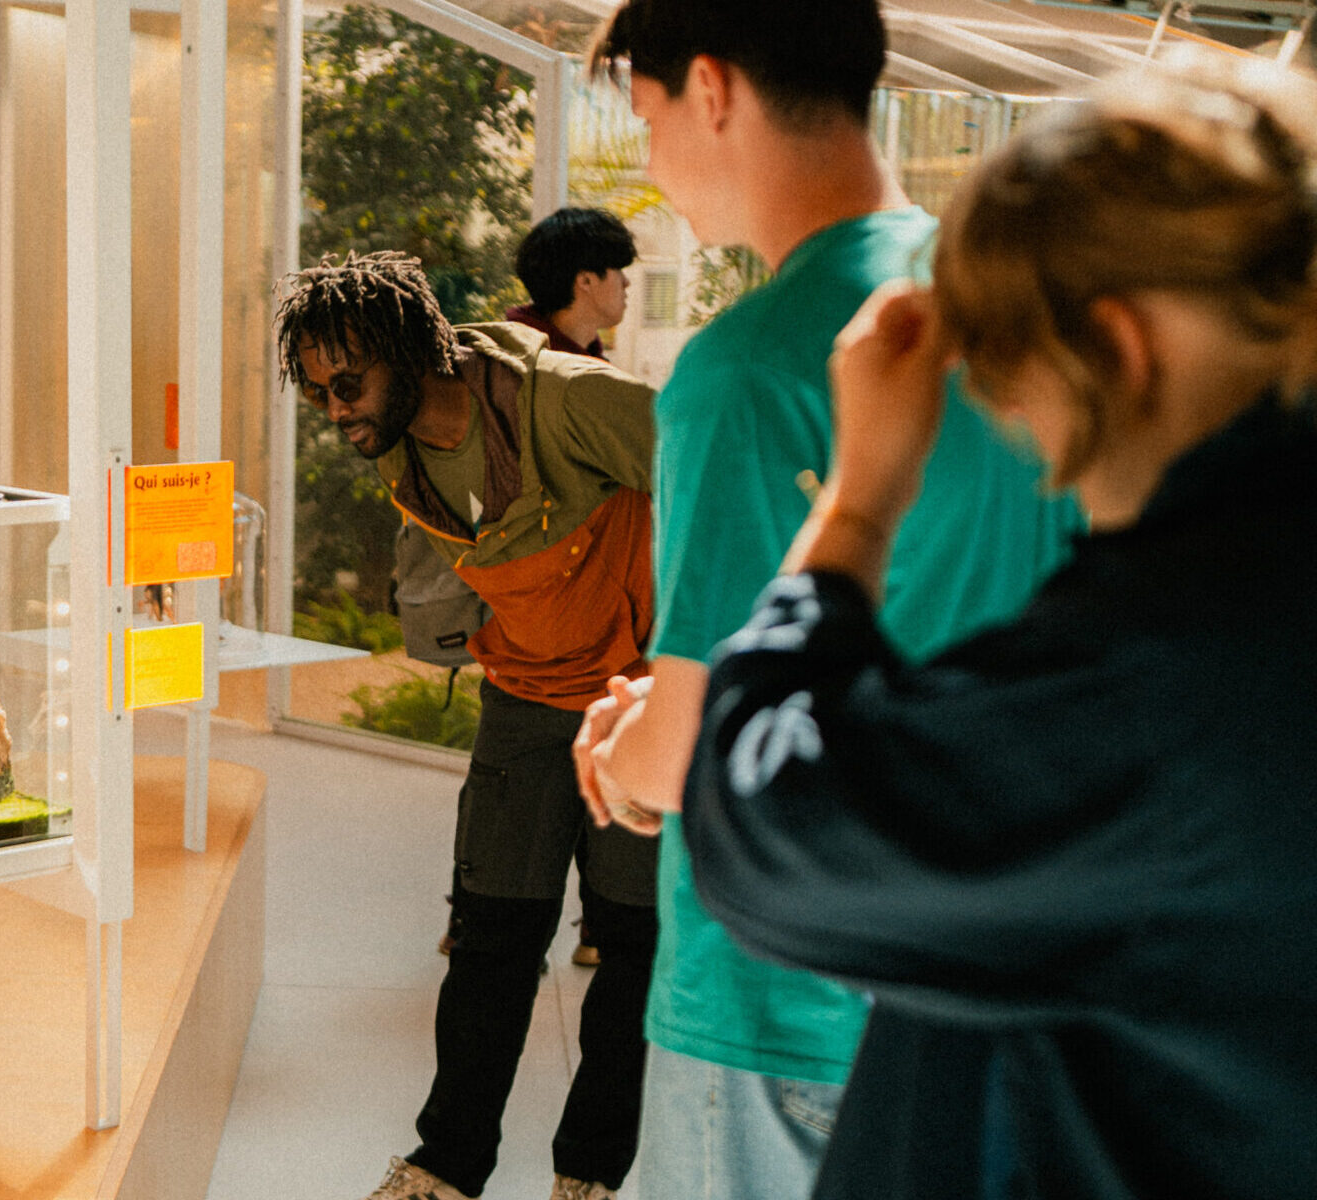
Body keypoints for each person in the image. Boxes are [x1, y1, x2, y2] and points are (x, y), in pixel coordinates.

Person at [684, 52, 1317, 1197]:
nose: (1008, 417)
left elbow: (769, 833)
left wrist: (855, 503)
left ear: (1116, 351)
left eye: (1002, 364)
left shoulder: (1182, 673)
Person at [570, 3, 1082, 1197]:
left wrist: (618, 753)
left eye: (645, 121)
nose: (648, 167)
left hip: (776, 997)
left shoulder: (745, 366)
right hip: (967, 987)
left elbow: (686, 749)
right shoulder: (1006, 316)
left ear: (711, 90)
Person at [277, 252, 660, 1200]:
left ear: (410, 351)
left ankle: (592, 1174)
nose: (335, 410)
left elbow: (725, 485)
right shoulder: (398, 442)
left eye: (348, 382)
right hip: (525, 697)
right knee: (492, 937)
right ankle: (448, 1164)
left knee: (634, 945)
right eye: (318, 391)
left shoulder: (567, 398)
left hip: (634, 697)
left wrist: (696, 666)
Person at [504, 205, 638, 972]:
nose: (625, 289)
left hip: (568, 612)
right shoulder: (549, 374)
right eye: (619, 274)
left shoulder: (534, 355)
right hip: (552, 608)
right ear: (587, 282)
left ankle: (579, 921)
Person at [509, 207, 637, 360]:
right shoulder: (529, 368)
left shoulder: (580, 360)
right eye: (618, 270)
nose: (626, 282)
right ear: (585, 281)